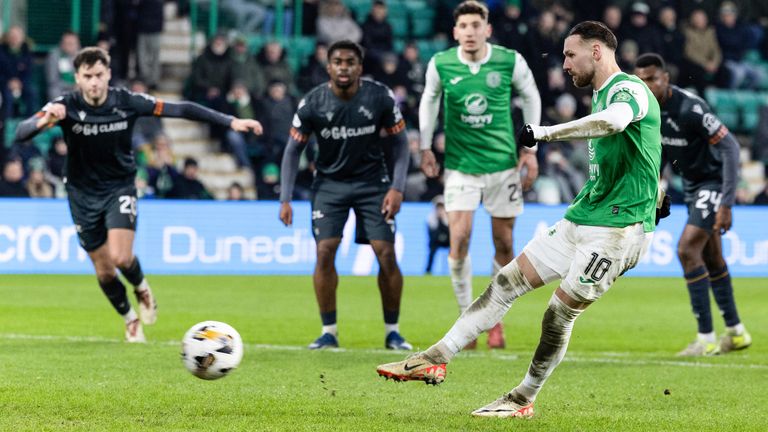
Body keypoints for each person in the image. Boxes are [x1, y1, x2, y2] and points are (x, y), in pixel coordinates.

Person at [377, 20, 664, 418]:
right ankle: (434, 356)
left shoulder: (628, 89)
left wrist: (545, 133)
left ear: (596, 51)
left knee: (558, 313)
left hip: (616, 231)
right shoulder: (599, 96)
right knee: (505, 281)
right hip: (583, 216)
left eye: (570, 54)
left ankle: (522, 398)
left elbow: (615, 122)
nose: (564, 64)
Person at [15, 47, 262, 343]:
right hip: (81, 193)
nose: (94, 82)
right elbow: (21, 131)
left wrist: (230, 121)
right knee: (105, 271)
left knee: (121, 256)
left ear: (108, 74)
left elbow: (180, 108)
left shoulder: (127, 102)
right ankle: (130, 319)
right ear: (77, 78)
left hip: (119, 185)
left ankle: (142, 287)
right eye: (87, 76)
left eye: (99, 75)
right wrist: (45, 121)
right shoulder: (64, 105)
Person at [418, 1, 542, 349]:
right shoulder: (441, 64)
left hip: (503, 166)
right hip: (460, 166)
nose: (470, 32)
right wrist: (425, 147)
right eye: (464, 26)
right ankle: (467, 319)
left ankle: (495, 319)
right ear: (455, 31)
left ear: (487, 29)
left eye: (476, 25)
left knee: (504, 243)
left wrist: (530, 149)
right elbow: (429, 101)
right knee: (459, 239)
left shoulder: (508, 60)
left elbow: (530, 95)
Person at [279, 40, 411, 351]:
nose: (343, 67)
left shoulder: (379, 96)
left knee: (386, 254)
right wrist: (285, 198)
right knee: (325, 251)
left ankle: (393, 332)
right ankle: (329, 332)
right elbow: (292, 150)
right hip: (329, 185)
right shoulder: (312, 102)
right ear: (329, 67)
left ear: (359, 67)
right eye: (337, 61)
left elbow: (402, 145)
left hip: (373, 184)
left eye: (350, 62)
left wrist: (397, 187)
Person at [634, 53, 752, 356]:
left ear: (665, 79)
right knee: (712, 260)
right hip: (691, 187)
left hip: (712, 184)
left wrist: (726, 203)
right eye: (640, 80)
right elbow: (657, 153)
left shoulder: (690, 109)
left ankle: (706, 338)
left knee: (687, 250)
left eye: (651, 79)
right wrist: (656, 190)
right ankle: (736, 332)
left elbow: (730, 147)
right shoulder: (646, 111)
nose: (646, 86)